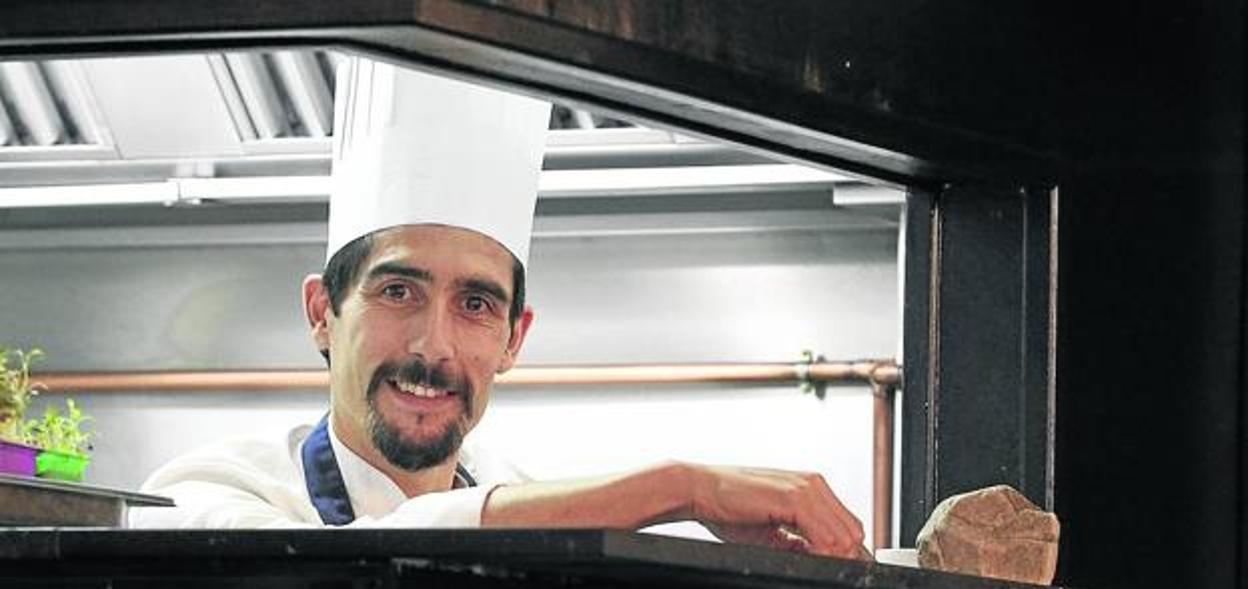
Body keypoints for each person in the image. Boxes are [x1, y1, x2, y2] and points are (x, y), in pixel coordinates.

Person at [133, 59, 868, 560]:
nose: (433, 346)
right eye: (398, 292)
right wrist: (680, 487)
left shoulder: (524, 497)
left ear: (516, 338)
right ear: (322, 312)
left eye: (475, 304)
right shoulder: (203, 492)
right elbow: (356, 557)